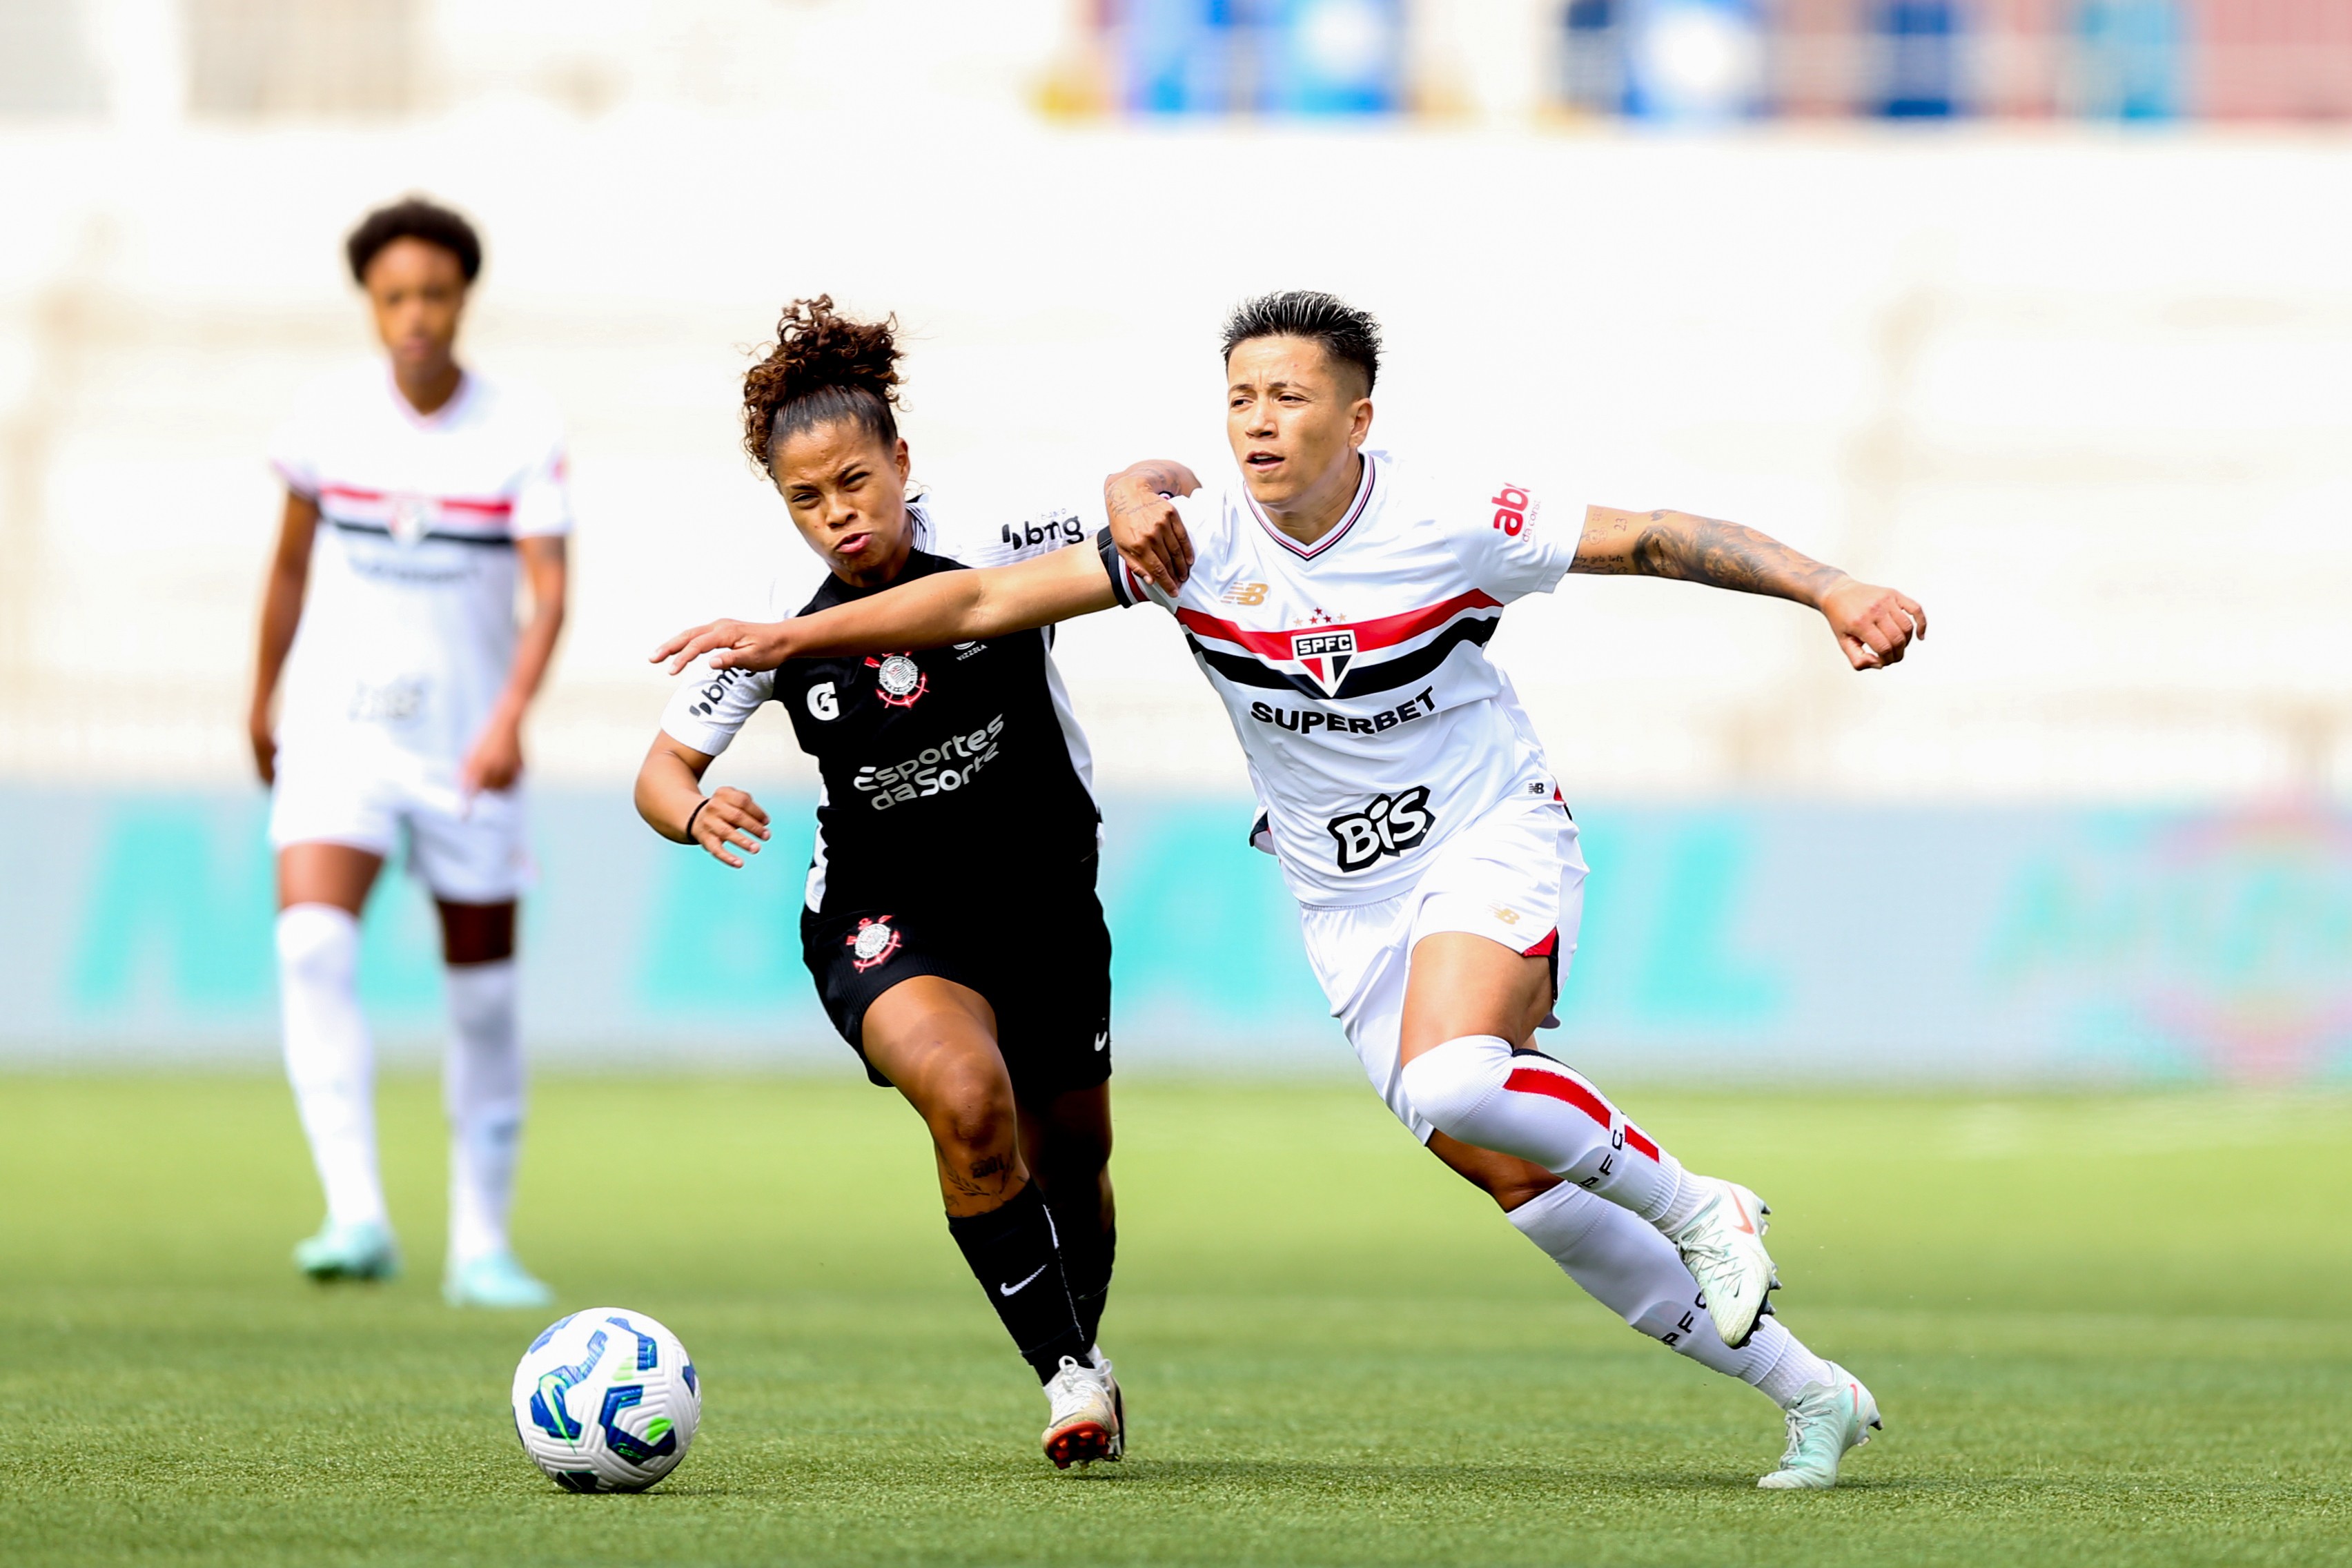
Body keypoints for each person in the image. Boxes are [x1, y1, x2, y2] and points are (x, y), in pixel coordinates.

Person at [654, 291, 1930, 1490]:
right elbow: (984, 599)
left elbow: (1655, 538)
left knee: (1453, 1073)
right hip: (1345, 904)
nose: (1260, 422)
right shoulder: (1197, 547)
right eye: (1240, 399)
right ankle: (1809, 1392)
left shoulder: (1451, 519)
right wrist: (788, 640)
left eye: (1290, 398)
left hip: (1488, 837)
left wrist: (1833, 587)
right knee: (1520, 1183)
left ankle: (1701, 1202)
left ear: (1357, 418)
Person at [633, 298, 1181, 1470]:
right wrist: (691, 807)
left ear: (902, 463)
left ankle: (1081, 1343)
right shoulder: (775, 620)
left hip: (1043, 898)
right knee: (971, 1106)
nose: (837, 515)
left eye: (854, 483)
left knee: (1074, 1157)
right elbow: (662, 767)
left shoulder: (991, 534)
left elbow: (1127, 496)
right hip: (886, 915)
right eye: (805, 498)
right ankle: (1068, 1377)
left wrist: (1140, 487)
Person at [249, 197, 569, 1309]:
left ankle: (480, 1243)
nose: (416, 315)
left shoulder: (519, 428)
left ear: (462, 298)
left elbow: (550, 592)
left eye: (435, 293)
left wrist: (509, 716)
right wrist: (263, 693)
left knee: (480, 998)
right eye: (396, 297)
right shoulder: (325, 419)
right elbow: (288, 569)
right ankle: (356, 1213)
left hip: (466, 753)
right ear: (371, 304)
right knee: (310, 948)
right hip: (339, 736)